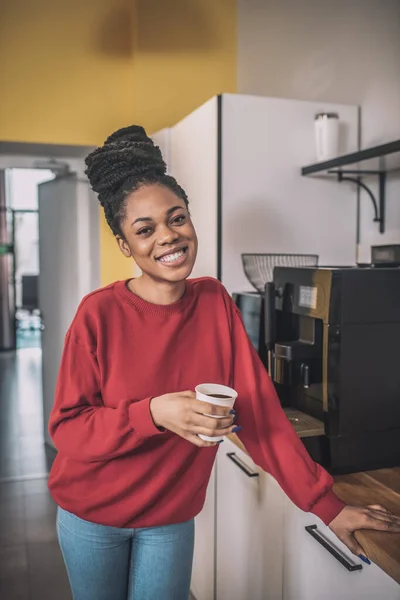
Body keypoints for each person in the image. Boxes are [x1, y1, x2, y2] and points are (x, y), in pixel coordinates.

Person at [48, 125, 400, 600]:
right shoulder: (98, 313)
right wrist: (153, 413)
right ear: (125, 246)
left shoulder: (213, 301)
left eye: (177, 218)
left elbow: (260, 414)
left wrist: (327, 505)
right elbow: (68, 429)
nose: (168, 237)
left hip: (169, 517)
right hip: (91, 516)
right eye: (145, 229)